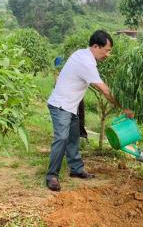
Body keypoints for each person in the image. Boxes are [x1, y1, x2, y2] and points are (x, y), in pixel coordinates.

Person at [46, 30, 134, 191]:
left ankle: (77, 170)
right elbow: (105, 90)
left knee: (73, 137)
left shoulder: (83, 55)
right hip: (60, 105)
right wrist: (125, 108)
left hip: (70, 106)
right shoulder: (86, 62)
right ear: (95, 46)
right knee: (62, 138)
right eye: (106, 50)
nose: (108, 55)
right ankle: (52, 176)